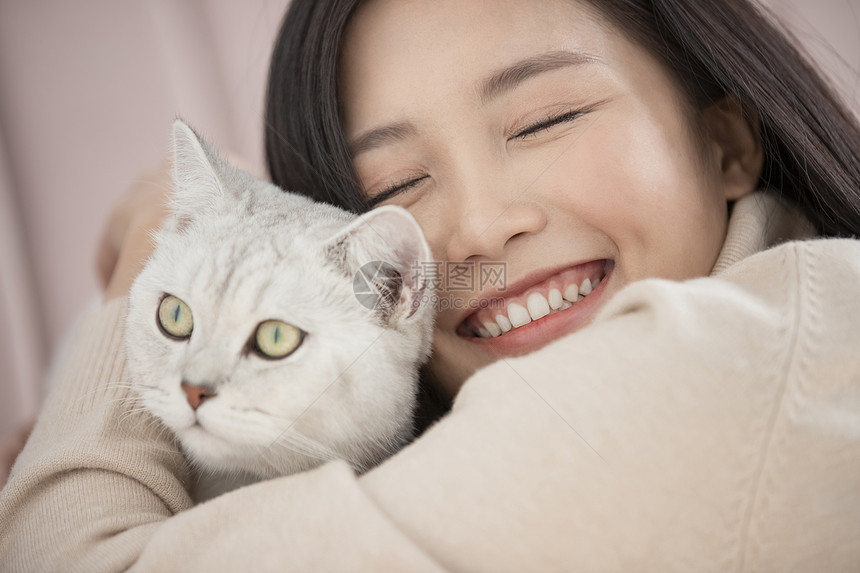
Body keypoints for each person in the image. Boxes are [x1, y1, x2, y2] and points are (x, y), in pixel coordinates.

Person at [2, 0, 860, 570]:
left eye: (545, 120)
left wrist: (155, 262)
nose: (480, 228)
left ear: (728, 144)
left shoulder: (724, 368)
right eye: (390, 190)